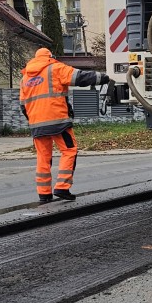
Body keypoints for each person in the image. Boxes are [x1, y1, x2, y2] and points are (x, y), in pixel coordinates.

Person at [19, 47, 109, 204]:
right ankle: (62, 187)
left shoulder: (25, 78)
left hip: (37, 124)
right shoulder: (55, 68)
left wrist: (34, 120)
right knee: (69, 150)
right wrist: (103, 77)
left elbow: (23, 106)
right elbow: (80, 77)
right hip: (58, 122)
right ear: (50, 56)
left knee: (43, 157)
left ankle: (44, 194)